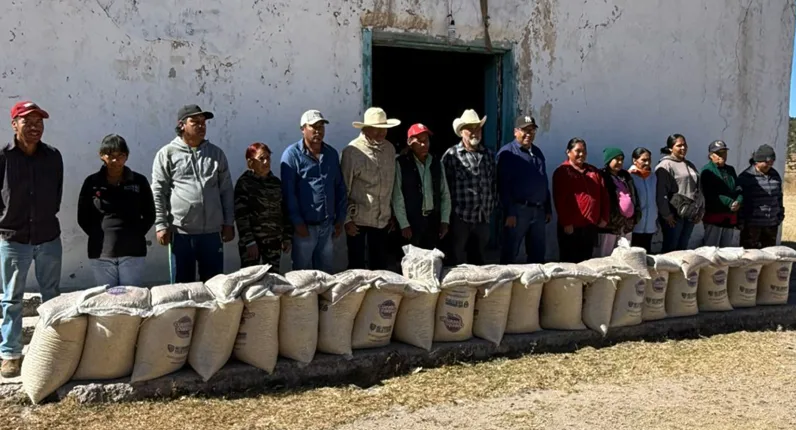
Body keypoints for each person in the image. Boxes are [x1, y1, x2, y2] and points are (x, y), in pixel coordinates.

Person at [0, 101, 63, 377]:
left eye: (39, 121)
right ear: (14, 124)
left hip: (48, 236)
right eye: (28, 121)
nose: (35, 127)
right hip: (13, 238)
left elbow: (56, 192)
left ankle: (51, 349)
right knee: (11, 300)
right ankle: (10, 354)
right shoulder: (3, 158)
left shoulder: (53, 156)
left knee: (51, 297)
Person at [151, 105, 235, 283]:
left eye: (204, 123)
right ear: (182, 125)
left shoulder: (216, 154)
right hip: (181, 232)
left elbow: (226, 190)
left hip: (212, 233)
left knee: (214, 286)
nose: (201, 126)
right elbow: (158, 191)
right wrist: (161, 225)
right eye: (195, 122)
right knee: (182, 288)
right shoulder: (167, 154)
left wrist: (228, 222)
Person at [77, 134, 155, 287]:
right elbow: (83, 217)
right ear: (101, 156)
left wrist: (135, 234)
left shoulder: (139, 181)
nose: (115, 160)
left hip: (133, 251)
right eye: (110, 155)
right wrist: (99, 236)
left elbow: (149, 214)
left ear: (126, 157)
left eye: (120, 155)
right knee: (108, 302)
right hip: (101, 253)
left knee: (131, 301)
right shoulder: (91, 182)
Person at [281, 110, 346, 273]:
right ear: (303, 128)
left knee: (326, 274)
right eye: (313, 127)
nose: (318, 131)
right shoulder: (292, 155)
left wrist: (340, 219)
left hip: (327, 226)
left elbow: (339, 187)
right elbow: (289, 193)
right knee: (302, 276)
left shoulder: (330, 154)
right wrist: (297, 222)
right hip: (305, 229)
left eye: (321, 126)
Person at [341, 107, 400, 270]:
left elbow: (393, 185)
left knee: (380, 264)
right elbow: (343, 188)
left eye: (384, 129)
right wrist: (346, 220)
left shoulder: (389, 149)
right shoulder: (352, 151)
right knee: (357, 266)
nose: (381, 133)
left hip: (382, 219)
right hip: (358, 219)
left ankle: (377, 296)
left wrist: (393, 214)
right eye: (376, 129)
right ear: (365, 128)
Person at [442, 109, 497, 265]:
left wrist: (491, 205)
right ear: (461, 132)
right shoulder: (452, 155)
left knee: (479, 260)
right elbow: (443, 188)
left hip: (482, 217)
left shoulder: (488, 155)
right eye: (470, 129)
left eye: (477, 128)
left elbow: (494, 182)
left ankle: (477, 290)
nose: (474, 132)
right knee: (457, 259)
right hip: (461, 217)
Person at [496, 115, 551, 264]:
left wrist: (547, 208)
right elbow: (503, 185)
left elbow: (543, 180)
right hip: (518, 211)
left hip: (538, 211)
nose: (529, 134)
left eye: (532, 130)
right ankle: (506, 286)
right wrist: (510, 212)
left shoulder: (537, 152)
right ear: (516, 132)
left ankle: (533, 287)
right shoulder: (508, 153)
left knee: (537, 255)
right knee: (510, 253)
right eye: (525, 130)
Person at [391, 123, 451, 250]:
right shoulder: (401, 164)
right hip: (412, 221)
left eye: (426, 140)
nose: (424, 144)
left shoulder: (436, 163)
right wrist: (403, 224)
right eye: (420, 141)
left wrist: (444, 221)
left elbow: (444, 194)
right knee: (411, 262)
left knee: (431, 261)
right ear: (410, 142)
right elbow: (397, 195)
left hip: (432, 221)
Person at [234, 142, 291, 271]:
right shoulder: (244, 184)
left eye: (268, 158)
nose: (266, 162)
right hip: (253, 245)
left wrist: (287, 237)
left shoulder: (276, 183)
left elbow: (284, 211)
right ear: (250, 162)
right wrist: (249, 241)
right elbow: (241, 215)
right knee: (252, 281)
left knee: (273, 280)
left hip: (274, 243)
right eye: (261, 159)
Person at [552, 138, 608, 263]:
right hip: (571, 227)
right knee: (570, 263)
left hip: (590, 226)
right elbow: (559, 199)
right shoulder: (562, 172)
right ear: (568, 152)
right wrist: (566, 222)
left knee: (587, 261)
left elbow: (604, 195)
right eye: (578, 151)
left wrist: (604, 217)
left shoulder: (593, 172)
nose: (581, 154)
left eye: (584, 151)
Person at [655, 134, 704, 252]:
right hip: (674, 215)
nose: (683, 148)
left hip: (689, 213)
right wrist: (666, 214)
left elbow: (698, 188)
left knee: (683, 248)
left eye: (685, 145)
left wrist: (700, 209)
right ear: (670, 148)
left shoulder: (689, 164)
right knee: (671, 249)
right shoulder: (665, 165)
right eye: (679, 145)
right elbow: (661, 192)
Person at [596, 147, 640, 256]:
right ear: (608, 160)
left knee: (625, 255)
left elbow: (634, 194)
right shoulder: (602, 176)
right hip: (610, 223)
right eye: (616, 159)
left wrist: (636, 214)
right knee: (606, 254)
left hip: (626, 224)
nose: (620, 162)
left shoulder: (625, 176)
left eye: (622, 159)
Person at [737, 144, 783, 249]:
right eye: (766, 163)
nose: (769, 166)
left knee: (769, 257)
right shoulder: (746, 177)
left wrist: (780, 215)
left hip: (771, 224)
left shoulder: (775, 175)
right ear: (757, 161)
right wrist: (741, 222)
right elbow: (741, 201)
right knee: (751, 258)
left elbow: (779, 197)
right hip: (752, 226)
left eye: (772, 163)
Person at [700, 140, 742, 247]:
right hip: (714, 216)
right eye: (718, 154)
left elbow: (738, 188)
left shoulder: (730, 170)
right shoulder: (707, 171)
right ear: (711, 155)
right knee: (711, 249)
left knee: (726, 250)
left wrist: (738, 201)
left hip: (730, 216)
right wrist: (729, 202)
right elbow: (710, 193)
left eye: (724, 153)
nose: (722, 156)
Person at [628, 147, 658, 252]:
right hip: (637, 223)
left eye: (649, 160)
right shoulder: (630, 176)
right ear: (635, 160)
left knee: (647, 252)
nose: (647, 163)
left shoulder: (653, 177)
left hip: (650, 222)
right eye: (643, 160)